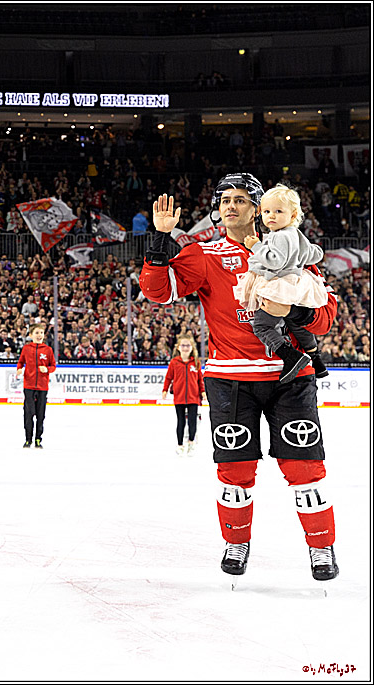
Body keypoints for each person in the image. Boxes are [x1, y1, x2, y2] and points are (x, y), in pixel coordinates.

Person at [142, 172, 340, 585]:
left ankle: (322, 548)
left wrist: (295, 312)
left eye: (241, 199)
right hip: (229, 378)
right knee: (235, 470)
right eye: (224, 199)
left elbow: (326, 315)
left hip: (291, 374)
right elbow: (158, 292)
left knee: (305, 469)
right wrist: (161, 240)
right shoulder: (203, 253)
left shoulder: (290, 247)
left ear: (259, 208)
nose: (231, 206)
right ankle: (236, 544)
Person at [232, 184, 329, 383]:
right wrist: (306, 255)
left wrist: (255, 246)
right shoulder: (296, 234)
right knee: (296, 323)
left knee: (261, 326)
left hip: (279, 283)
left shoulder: (279, 236)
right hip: (294, 283)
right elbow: (314, 253)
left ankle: (291, 356)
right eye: (267, 211)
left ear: (293, 216)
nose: (271, 216)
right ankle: (316, 359)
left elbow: (274, 261)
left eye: (278, 211)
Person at [161, 334, 206, 457]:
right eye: (183, 345)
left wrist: (203, 392)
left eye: (188, 345)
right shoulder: (174, 363)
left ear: (191, 347)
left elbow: (200, 380)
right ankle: (180, 445)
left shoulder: (195, 362)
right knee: (180, 422)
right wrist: (165, 390)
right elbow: (168, 377)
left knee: (192, 422)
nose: (185, 347)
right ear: (178, 347)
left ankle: (191, 443)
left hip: (193, 398)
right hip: (179, 397)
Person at [15, 323, 55, 448]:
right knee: (28, 413)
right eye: (37, 333)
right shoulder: (26, 348)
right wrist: (19, 369)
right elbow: (20, 361)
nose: (39, 335)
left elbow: (53, 366)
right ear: (31, 335)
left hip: (42, 387)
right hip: (29, 386)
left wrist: (47, 369)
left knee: (40, 414)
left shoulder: (48, 350)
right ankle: (28, 439)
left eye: (41, 333)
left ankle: (38, 439)